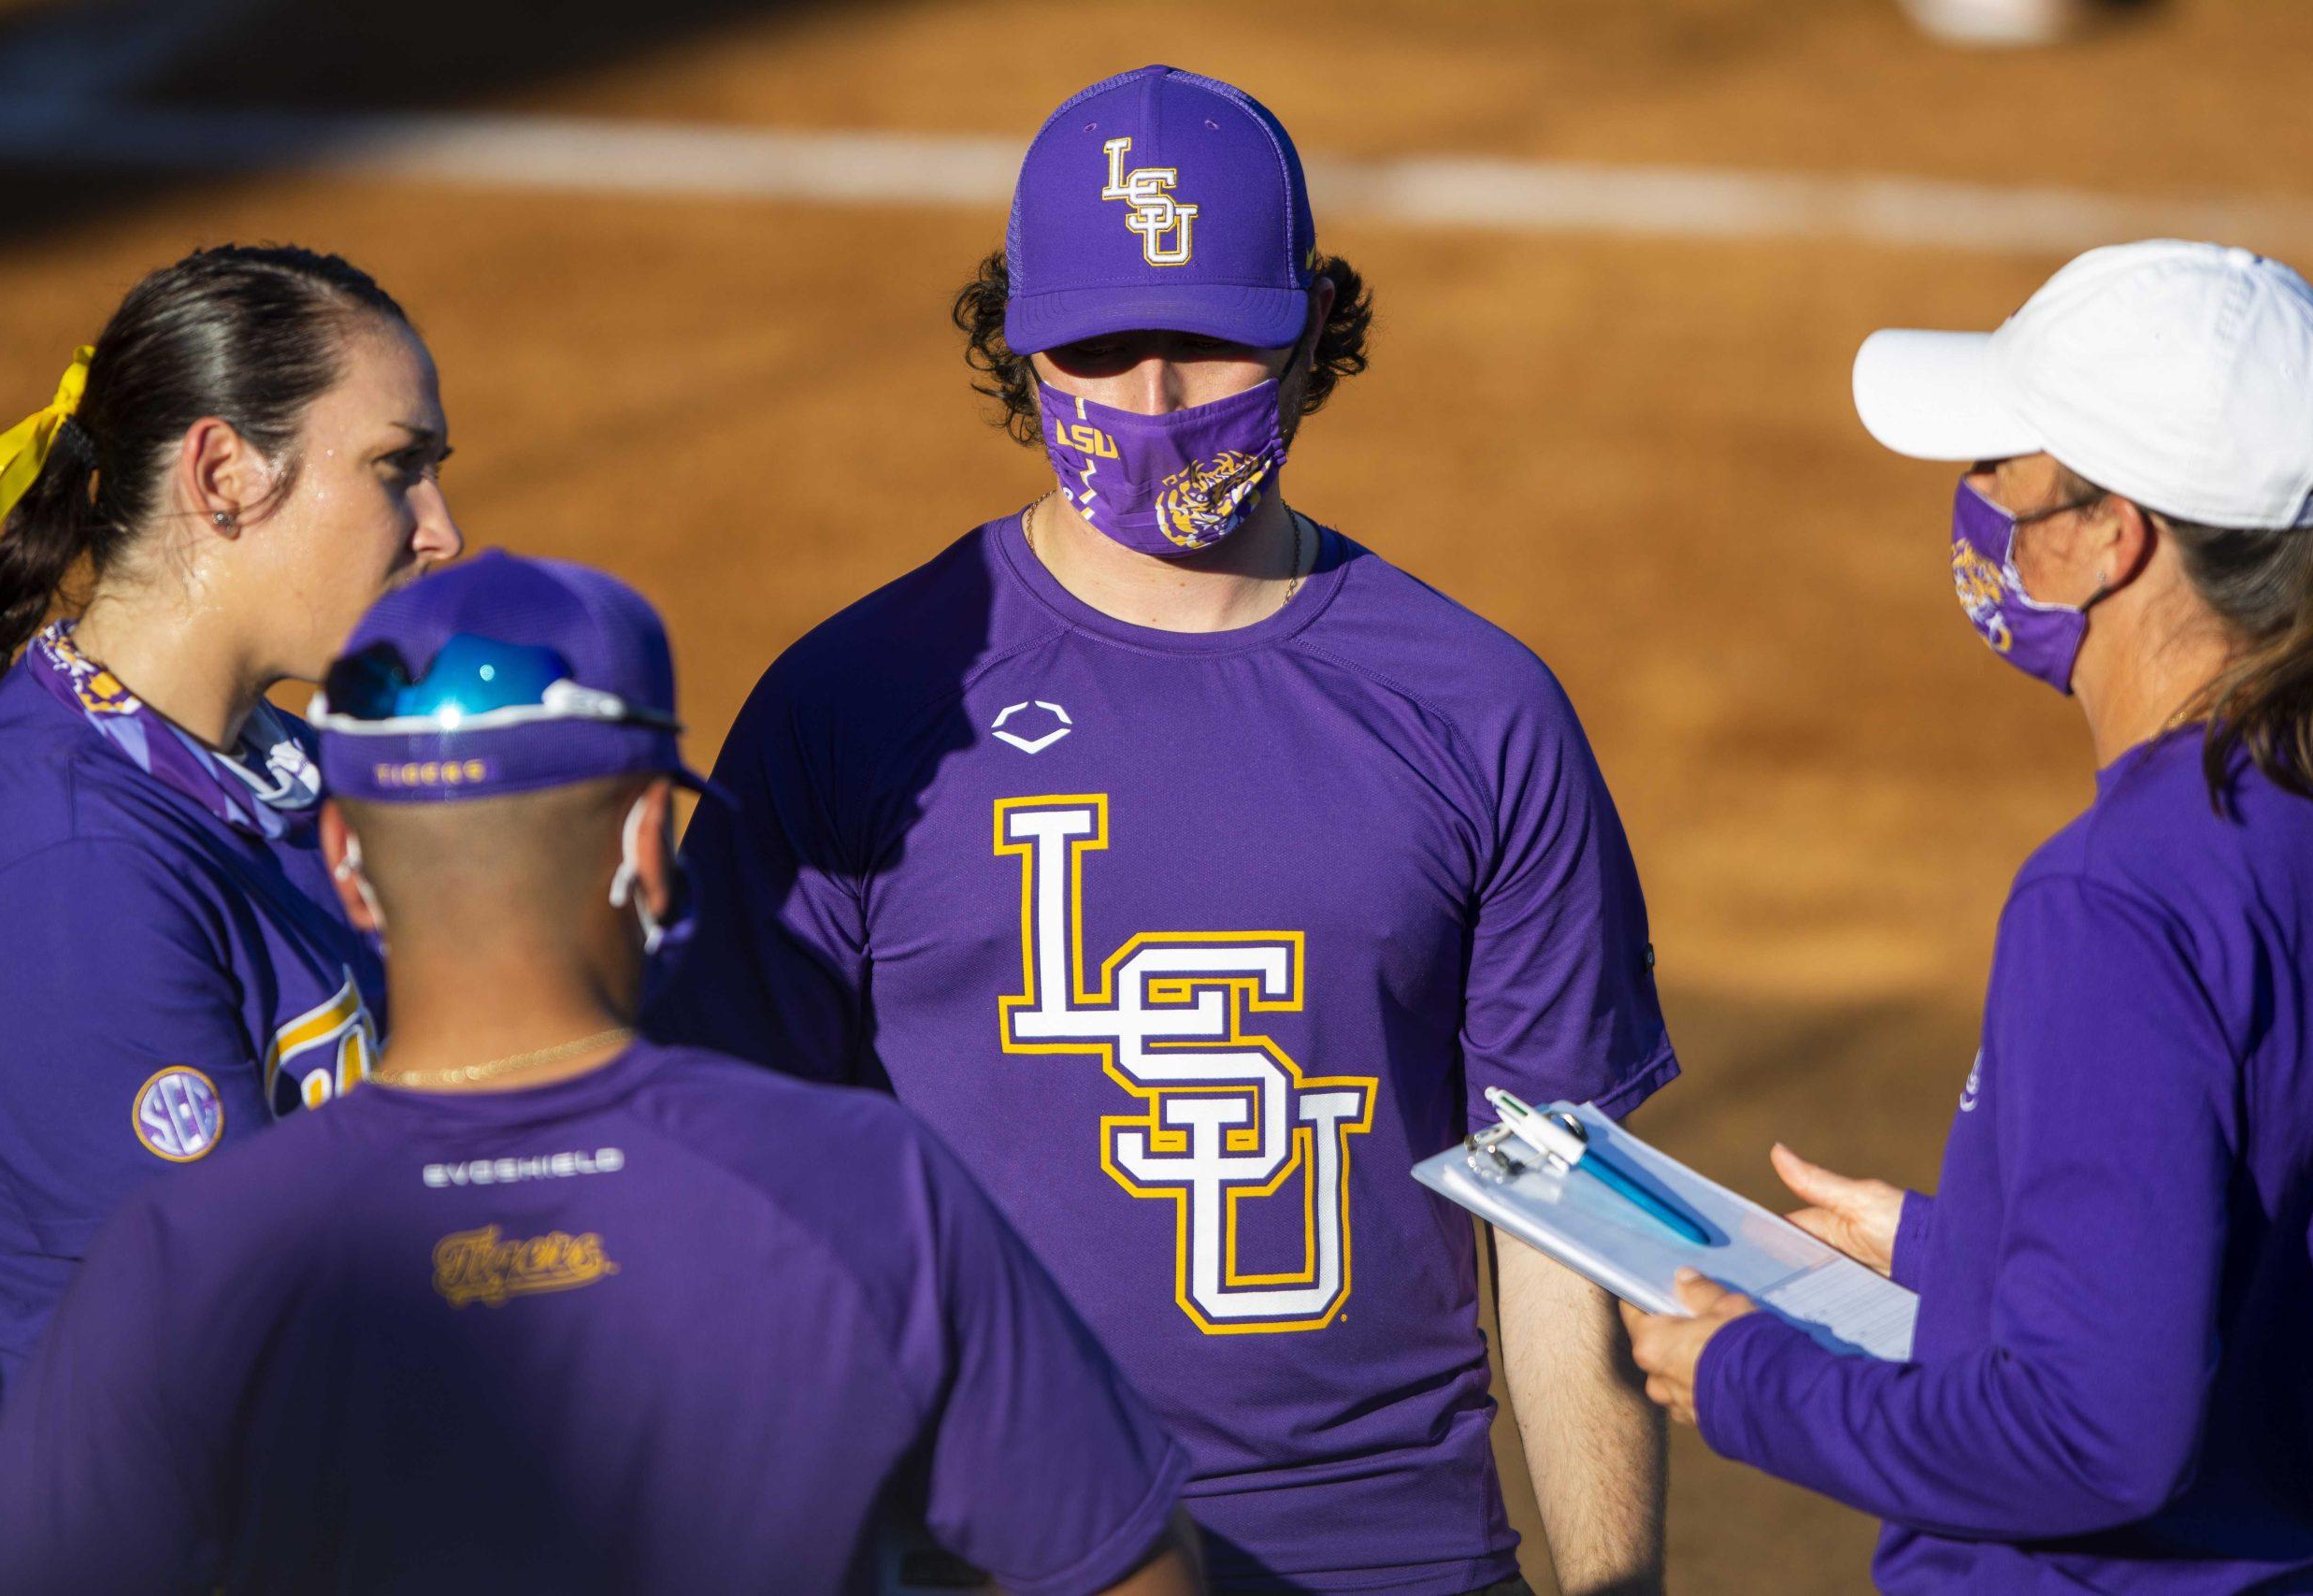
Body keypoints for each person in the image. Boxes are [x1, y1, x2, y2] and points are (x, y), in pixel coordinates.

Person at [651, 64, 1678, 1594]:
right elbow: (742, 1198)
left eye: (1206, 344)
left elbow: (1557, 1227)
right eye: (1099, 348)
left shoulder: (1478, 711)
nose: (1151, 403)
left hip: (1389, 1559)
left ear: (1313, 333)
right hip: (995, 1553)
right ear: (1019, 343)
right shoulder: (858, 707)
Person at [0, 551, 1200, 1596]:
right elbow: (1124, 1565)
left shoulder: (191, 1249)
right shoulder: (870, 1192)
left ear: (345, 860)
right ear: (644, 849)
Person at [1623, 240, 2313, 1591]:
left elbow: (2093, 1438)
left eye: (2002, 473)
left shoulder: (2115, 898)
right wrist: (1952, 1252)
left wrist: (1748, 1381)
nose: (1971, 506)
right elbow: (2274, 1262)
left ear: (2111, 537)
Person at [0, 244, 461, 1459]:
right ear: (225, 473)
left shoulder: (294, 763)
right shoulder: (69, 863)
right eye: (400, 469)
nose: (441, 532)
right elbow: (237, 1352)